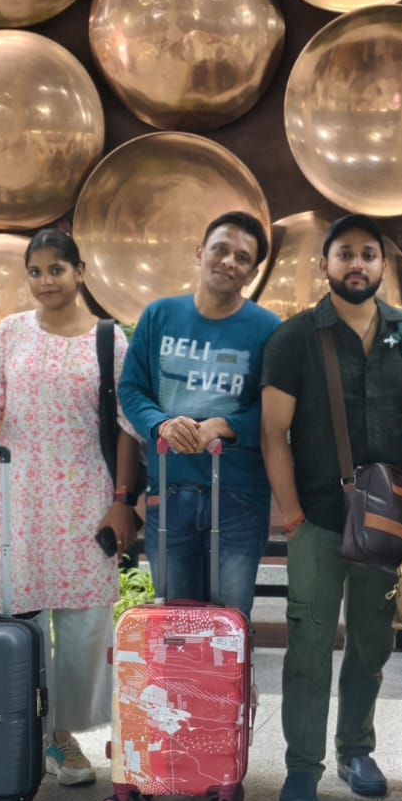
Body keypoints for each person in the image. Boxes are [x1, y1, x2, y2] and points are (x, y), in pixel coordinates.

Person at [262, 215, 402, 801]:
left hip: (388, 521)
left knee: (371, 642)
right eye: (345, 254)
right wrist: (291, 515)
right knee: (309, 644)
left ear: (383, 265)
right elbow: (273, 432)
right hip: (316, 519)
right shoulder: (294, 339)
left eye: (367, 254)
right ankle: (301, 766)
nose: (356, 264)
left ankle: (356, 750)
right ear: (325, 264)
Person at [0, 229, 140, 790]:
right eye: (35, 272)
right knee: (25, 621)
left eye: (56, 269)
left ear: (80, 272)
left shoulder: (109, 340)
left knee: (85, 627)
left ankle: (66, 727)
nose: (45, 281)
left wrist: (122, 503)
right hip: (21, 501)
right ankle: (42, 736)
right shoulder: (12, 332)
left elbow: (128, 429)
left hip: (87, 499)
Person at [118, 211, 280, 612]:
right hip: (169, 493)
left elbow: (277, 411)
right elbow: (131, 389)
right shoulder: (159, 316)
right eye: (220, 249)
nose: (228, 261)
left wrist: (225, 425)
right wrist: (161, 424)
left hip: (239, 496)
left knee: (229, 624)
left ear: (252, 273)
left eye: (242, 258)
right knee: (175, 623)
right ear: (199, 252)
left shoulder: (268, 329)